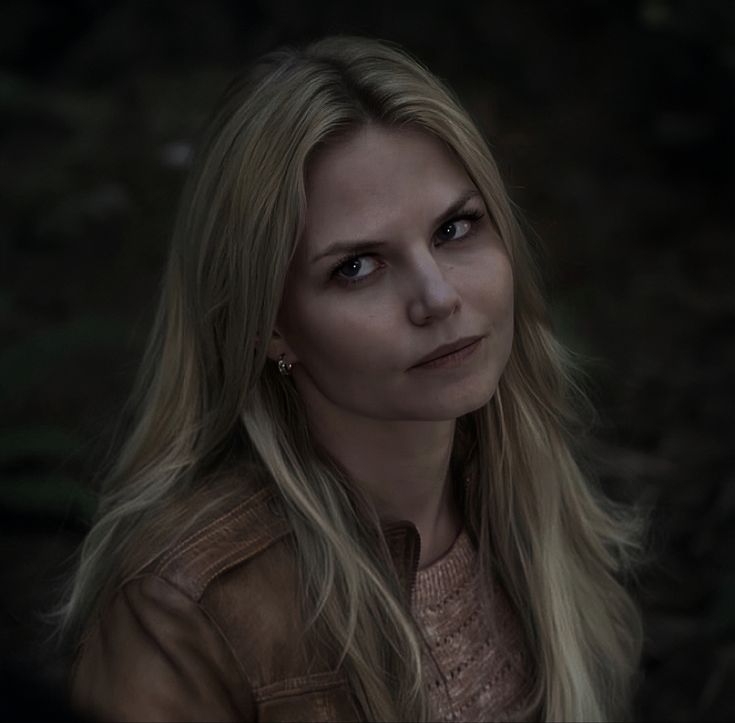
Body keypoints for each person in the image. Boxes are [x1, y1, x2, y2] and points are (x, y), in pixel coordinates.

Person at [59, 35, 644, 722]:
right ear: (268, 325)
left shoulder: (524, 492)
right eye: (357, 267)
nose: (437, 297)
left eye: (455, 228)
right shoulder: (184, 605)